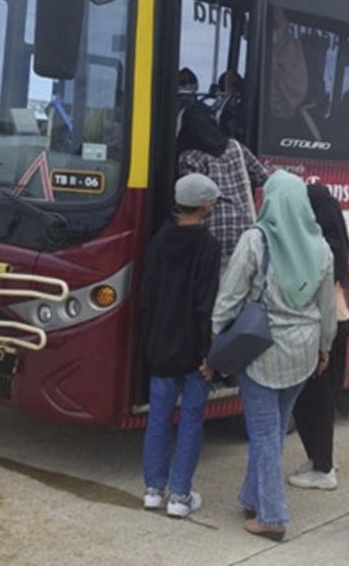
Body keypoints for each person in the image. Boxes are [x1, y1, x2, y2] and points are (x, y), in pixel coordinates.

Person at [212, 170, 336, 541]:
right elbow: (326, 306)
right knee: (275, 429)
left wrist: (215, 340)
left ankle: (272, 516)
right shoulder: (321, 246)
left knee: (265, 433)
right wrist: (325, 345)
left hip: (262, 349)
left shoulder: (255, 240)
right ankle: (253, 497)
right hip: (304, 350)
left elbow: (230, 297)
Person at [139, 173, 222, 518]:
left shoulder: (158, 240)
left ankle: (153, 490)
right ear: (205, 207)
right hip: (192, 350)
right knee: (190, 420)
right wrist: (209, 352)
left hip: (160, 345)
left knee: (157, 418)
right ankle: (180, 496)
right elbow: (206, 303)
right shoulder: (209, 246)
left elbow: (148, 297)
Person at [288, 183, 349, 491]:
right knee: (320, 400)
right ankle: (318, 458)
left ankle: (324, 468)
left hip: (326, 329)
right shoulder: (337, 243)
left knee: (313, 401)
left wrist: (323, 344)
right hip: (338, 326)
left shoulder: (322, 247)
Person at [177, 102, 269, 270]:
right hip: (244, 229)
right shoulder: (235, 147)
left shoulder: (190, 156)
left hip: (211, 232)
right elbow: (263, 177)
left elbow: (190, 198)